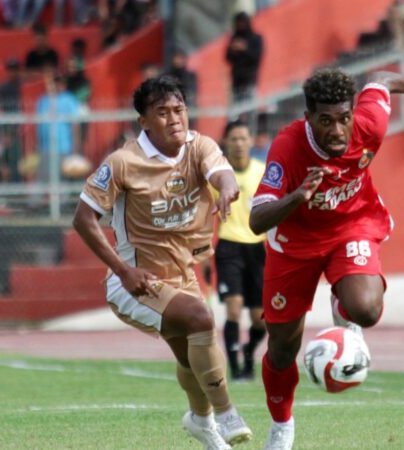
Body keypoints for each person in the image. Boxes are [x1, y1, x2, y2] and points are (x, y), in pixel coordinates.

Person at [248, 66, 404, 449]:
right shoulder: (288, 146)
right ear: (308, 117)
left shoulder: (370, 125)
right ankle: (282, 425)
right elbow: (255, 219)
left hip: (352, 226)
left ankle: (343, 303)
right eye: (326, 120)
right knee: (281, 349)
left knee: (365, 309)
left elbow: (381, 79)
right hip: (294, 244)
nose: (337, 130)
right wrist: (297, 196)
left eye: (344, 118)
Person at [72, 75, 252, 450]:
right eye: (163, 112)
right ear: (144, 121)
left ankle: (200, 421)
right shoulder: (123, 162)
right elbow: (83, 219)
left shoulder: (198, 145)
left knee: (191, 357)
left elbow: (222, 173)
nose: (174, 119)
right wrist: (125, 272)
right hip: (134, 281)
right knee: (202, 321)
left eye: (179, 109)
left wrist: (227, 190)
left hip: (182, 276)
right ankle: (226, 414)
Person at [212, 121, 267, 381]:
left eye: (243, 138)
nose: (239, 143)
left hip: (257, 248)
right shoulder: (219, 176)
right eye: (233, 138)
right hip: (229, 247)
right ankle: (235, 369)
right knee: (233, 309)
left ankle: (248, 350)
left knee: (261, 320)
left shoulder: (262, 171)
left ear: (250, 140)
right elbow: (204, 213)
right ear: (225, 142)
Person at [225, 12, 263, 103]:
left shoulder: (255, 38)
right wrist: (234, 49)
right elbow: (228, 57)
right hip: (236, 82)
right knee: (235, 112)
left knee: (250, 109)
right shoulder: (234, 38)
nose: (240, 25)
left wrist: (244, 49)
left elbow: (256, 57)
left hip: (250, 80)